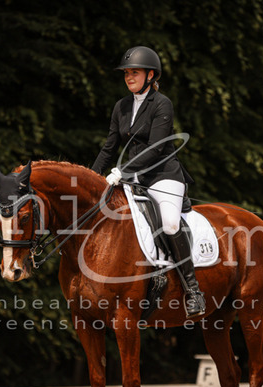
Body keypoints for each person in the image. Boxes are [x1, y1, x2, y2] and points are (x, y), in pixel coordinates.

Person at [91, 46, 206, 318]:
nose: (129, 77)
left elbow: (155, 148)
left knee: (170, 222)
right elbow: (109, 147)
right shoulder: (121, 106)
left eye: (135, 72)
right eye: (126, 73)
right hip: (132, 178)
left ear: (150, 75)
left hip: (163, 176)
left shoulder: (162, 103)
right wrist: (91, 178)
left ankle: (193, 290)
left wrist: (121, 171)